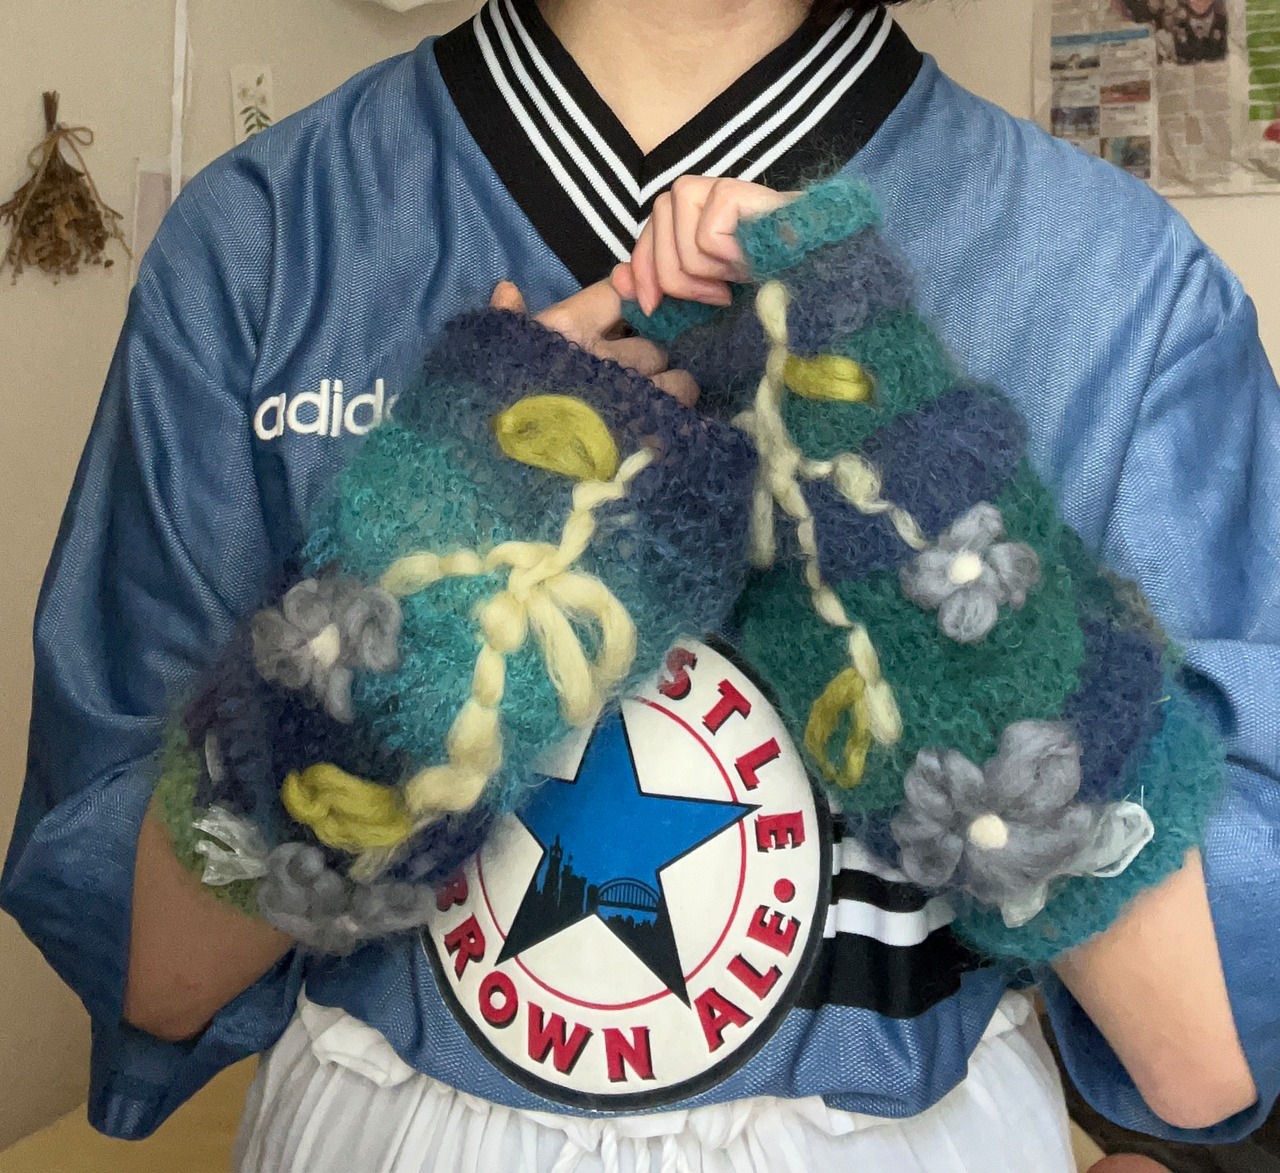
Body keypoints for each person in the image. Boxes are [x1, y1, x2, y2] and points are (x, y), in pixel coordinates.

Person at [2, 0, 1276, 1169]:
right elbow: (152, 972)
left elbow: (1200, 1061)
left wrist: (928, 575)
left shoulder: (1115, 279)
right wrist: (416, 627)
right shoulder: (267, 235)